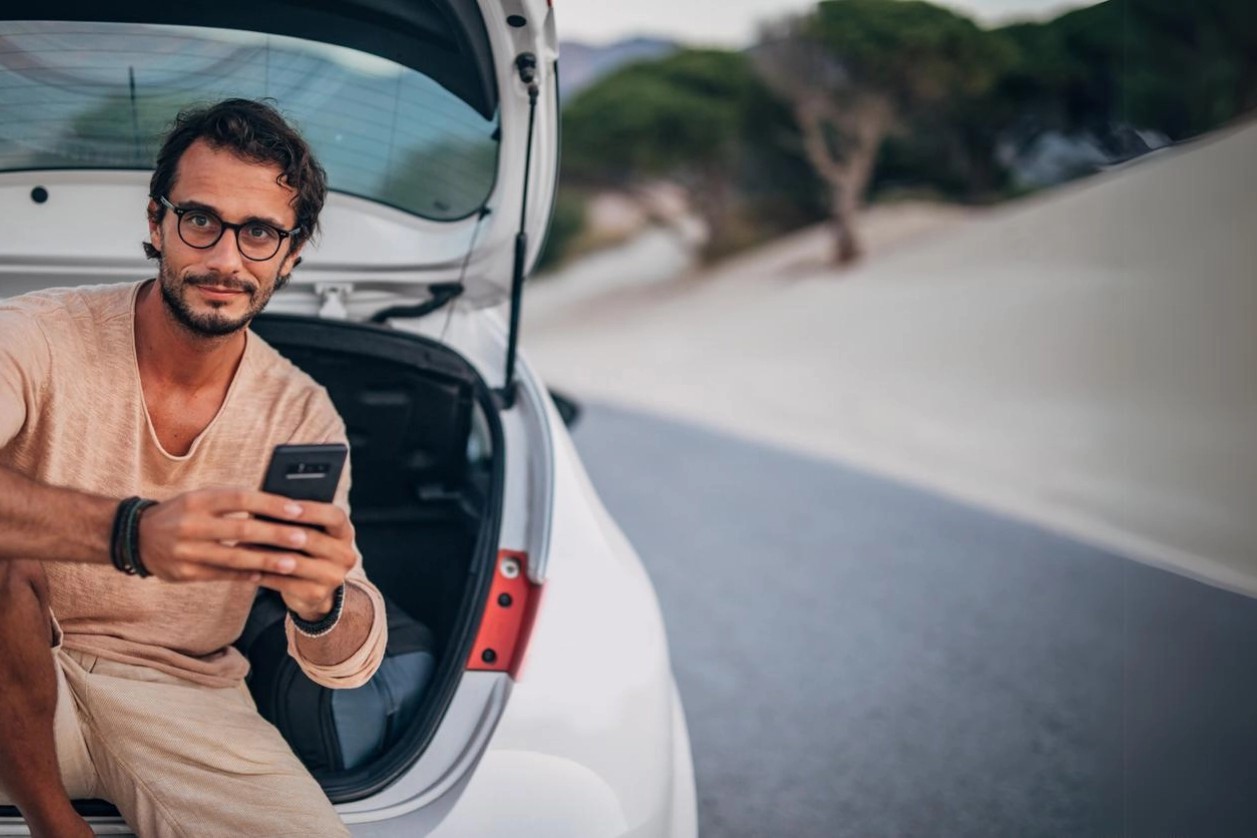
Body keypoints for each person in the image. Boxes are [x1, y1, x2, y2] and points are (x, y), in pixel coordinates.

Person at [0, 98, 387, 837]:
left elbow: (346, 661)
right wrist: (129, 533)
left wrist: (322, 601)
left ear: (292, 253)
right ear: (156, 223)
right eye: (200, 220)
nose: (225, 259)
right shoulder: (34, 336)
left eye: (260, 233)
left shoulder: (301, 413)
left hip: (182, 696)